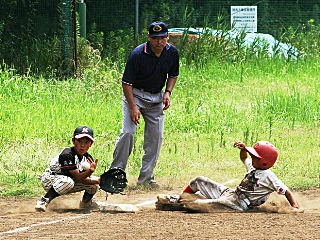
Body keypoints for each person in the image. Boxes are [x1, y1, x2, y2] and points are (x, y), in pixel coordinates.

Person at [109, 21, 179, 188]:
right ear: (149, 38)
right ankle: (115, 175)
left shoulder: (172, 52)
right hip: (135, 95)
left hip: (156, 98)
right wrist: (133, 107)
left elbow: (173, 74)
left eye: (162, 38)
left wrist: (167, 93)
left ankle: (146, 179)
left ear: (168, 37)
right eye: (155, 38)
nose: (159, 42)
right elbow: (126, 83)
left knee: (156, 137)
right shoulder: (138, 54)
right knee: (128, 133)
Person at [157, 140, 303, 212]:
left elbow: (287, 192)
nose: (252, 157)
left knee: (197, 205)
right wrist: (244, 148)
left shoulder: (270, 177)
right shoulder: (254, 167)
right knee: (198, 181)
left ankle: (173, 205)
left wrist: (294, 208)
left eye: (255, 156)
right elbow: (243, 158)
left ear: (264, 163)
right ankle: (178, 198)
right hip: (231, 194)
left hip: (239, 203)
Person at [35, 126, 100, 212]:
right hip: (50, 180)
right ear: (73, 141)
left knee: (94, 184)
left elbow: (84, 180)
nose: (82, 145)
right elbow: (78, 177)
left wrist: (100, 180)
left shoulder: (87, 158)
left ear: (91, 144)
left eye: (86, 142)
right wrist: (90, 171)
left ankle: (86, 203)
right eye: (79, 141)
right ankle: (44, 200)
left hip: (68, 182)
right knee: (67, 181)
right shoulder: (67, 154)